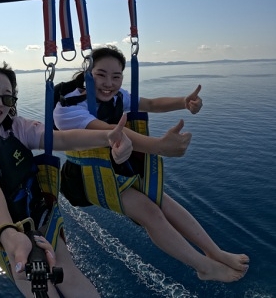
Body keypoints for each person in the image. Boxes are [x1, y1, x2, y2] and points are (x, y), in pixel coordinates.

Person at [53, 45, 249, 282]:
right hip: (84, 179)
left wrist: (183, 101)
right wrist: (160, 146)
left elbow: (151, 104)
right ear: (87, 74)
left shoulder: (117, 97)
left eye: (116, 77)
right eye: (100, 74)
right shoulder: (68, 107)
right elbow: (111, 132)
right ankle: (204, 267)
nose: (108, 83)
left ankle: (215, 252)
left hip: (112, 170)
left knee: (163, 201)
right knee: (150, 212)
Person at [0, 62, 134, 297]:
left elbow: (62, 139)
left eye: (7, 98)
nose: (0, 103)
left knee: (68, 274)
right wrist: (8, 232)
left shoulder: (17, 128)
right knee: (35, 285)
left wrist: (108, 137)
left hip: (37, 213)